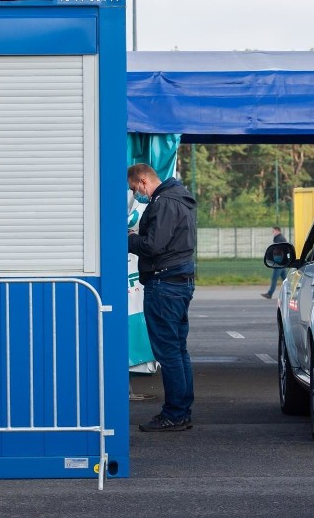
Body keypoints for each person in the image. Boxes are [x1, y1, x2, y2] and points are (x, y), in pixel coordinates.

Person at [127, 163, 198, 432]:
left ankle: (175, 414)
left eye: (135, 188)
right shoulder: (179, 198)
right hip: (178, 281)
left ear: (144, 181)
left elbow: (153, 246)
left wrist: (130, 238)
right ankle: (181, 411)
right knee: (178, 351)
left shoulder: (165, 202)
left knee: (168, 352)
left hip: (164, 284)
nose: (137, 194)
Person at [262, 226, 288, 299]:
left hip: (279, 263)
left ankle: (270, 294)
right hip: (283, 262)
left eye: (273, 231)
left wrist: (274, 261)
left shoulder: (279, 239)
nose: (273, 233)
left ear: (277, 231)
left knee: (274, 278)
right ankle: (291, 293)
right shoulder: (281, 238)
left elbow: (277, 251)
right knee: (285, 280)